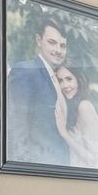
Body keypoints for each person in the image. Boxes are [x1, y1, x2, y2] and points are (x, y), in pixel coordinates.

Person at [6, 22, 71, 165]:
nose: (58, 50)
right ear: (39, 40)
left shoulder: (60, 79)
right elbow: (16, 127)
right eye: (52, 43)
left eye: (63, 45)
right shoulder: (25, 71)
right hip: (37, 167)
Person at [53, 64, 98, 168]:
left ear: (78, 79)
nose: (65, 85)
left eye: (69, 79)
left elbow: (92, 159)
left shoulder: (84, 106)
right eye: (60, 81)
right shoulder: (71, 106)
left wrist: (64, 133)